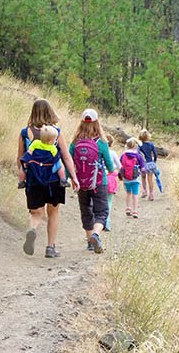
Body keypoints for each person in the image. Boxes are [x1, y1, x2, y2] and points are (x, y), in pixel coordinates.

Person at [17, 98, 79, 258]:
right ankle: (50, 247)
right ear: (50, 112)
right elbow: (66, 157)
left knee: (36, 212)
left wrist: (22, 177)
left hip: (33, 178)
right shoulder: (56, 133)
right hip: (53, 179)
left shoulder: (25, 133)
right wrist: (73, 177)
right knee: (53, 212)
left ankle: (32, 229)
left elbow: (20, 158)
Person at [69, 108, 114, 253]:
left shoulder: (75, 142)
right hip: (99, 182)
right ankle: (96, 234)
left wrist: (73, 178)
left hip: (81, 183)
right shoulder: (101, 142)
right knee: (101, 212)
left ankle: (90, 241)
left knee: (86, 211)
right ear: (97, 123)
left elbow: (68, 160)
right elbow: (110, 166)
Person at [18, 125, 70, 189]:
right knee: (59, 165)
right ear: (51, 141)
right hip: (48, 165)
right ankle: (63, 179)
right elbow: (55, 158)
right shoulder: (53, 148)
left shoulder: (36, 142)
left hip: (35, 163)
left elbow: (30, 151)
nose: (55, 141)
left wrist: (27, 160)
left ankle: (21, 181)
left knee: (23, 167)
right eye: (55, 139)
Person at [120, 137, 146, 218]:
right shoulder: (138, 156)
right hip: (135, 178)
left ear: (126, 146)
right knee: (135, 194)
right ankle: (135, 211)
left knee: (128, 193)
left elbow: (120, 165)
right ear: (135, 146)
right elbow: (143, 168)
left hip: (126, 178)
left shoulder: (123, 155)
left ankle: (128, 208)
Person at [105, 134, 121, 232]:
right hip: (111, 178)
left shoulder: (98, 151)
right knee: (109, 201)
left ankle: (98, 222)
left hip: (100, 178)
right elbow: (120, 166)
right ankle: (107, 222)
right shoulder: (113, 153)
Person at [138, 129, 158, 200]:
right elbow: (155, 154)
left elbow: (138, 154)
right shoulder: (151, 145)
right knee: (150, 179)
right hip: (150, 163)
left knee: (143, 177)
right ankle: (151, 194)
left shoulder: (139, 145)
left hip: (143, 164)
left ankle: (144, 191)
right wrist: (154, 160)